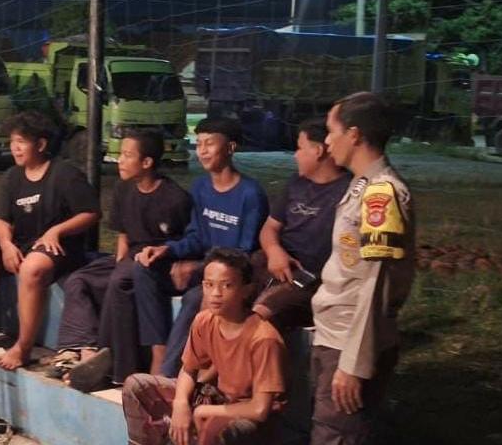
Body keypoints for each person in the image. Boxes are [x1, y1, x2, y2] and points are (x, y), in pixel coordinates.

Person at [0, 110, 100, 370]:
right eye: (12, 142)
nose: (15, 148)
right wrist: (6, 244)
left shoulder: (64, 173)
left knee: (31, 267)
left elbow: (91, 213)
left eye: (21, 142)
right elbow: (0, 219)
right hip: (21, 243)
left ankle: (23, 346)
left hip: (59, 248)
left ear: (40, 144)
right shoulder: (13, 176)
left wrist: (57, 231)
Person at [310, 92, 416, 444]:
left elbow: (376, 285)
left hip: (348, 344)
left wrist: (354, 363)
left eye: (331, 131)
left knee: (337, 435)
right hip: (334, 336)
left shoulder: (382, 195)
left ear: (354, 135)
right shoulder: (361, 186)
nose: (327, 141)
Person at [51, 129, 192, 391]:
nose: (120, 161)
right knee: (78, 279)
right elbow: (123, 235)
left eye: (127, 155)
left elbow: (185, 243)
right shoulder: (123, 189)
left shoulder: (175, 198)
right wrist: (118, 262)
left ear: (146, 162)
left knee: (120, 282)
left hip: (156, 261)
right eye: (121, 154)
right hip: (129, 258)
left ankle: (115, 365)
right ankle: (82, 348)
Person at [133, 117, 269, 378]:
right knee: (143, 268)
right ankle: (158, 351)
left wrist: (198, 267)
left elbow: (244, 254)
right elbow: (196, 236)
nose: (203, 151)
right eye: (199, 144)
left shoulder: (250, 194)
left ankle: (167, 375)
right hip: (202, 268)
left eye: (209, 144)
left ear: (230, 148)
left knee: (195, 297)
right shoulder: (200, 187)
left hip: (227, 277)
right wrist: (168, 250)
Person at [122, 248, 288, 445]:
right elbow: (188, 370)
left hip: (249, 415)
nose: (215, 293)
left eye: (227, 285)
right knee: (136, 385)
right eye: (209, 285)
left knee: (212, 428)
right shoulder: (204, 320)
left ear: (246, 290)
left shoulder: (263, 338)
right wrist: (181, 404)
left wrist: (204, 410)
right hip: (217, 397)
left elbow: (259, 409)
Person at [252, 118, 349, 331]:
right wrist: (274, 250)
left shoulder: (348, 192)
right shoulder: (296, 183)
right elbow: (270, 227)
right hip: (275, 264)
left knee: (260, 314)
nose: (295, 155)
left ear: (318, 151)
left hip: (311, 279)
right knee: (222, 294)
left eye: (299, 148)